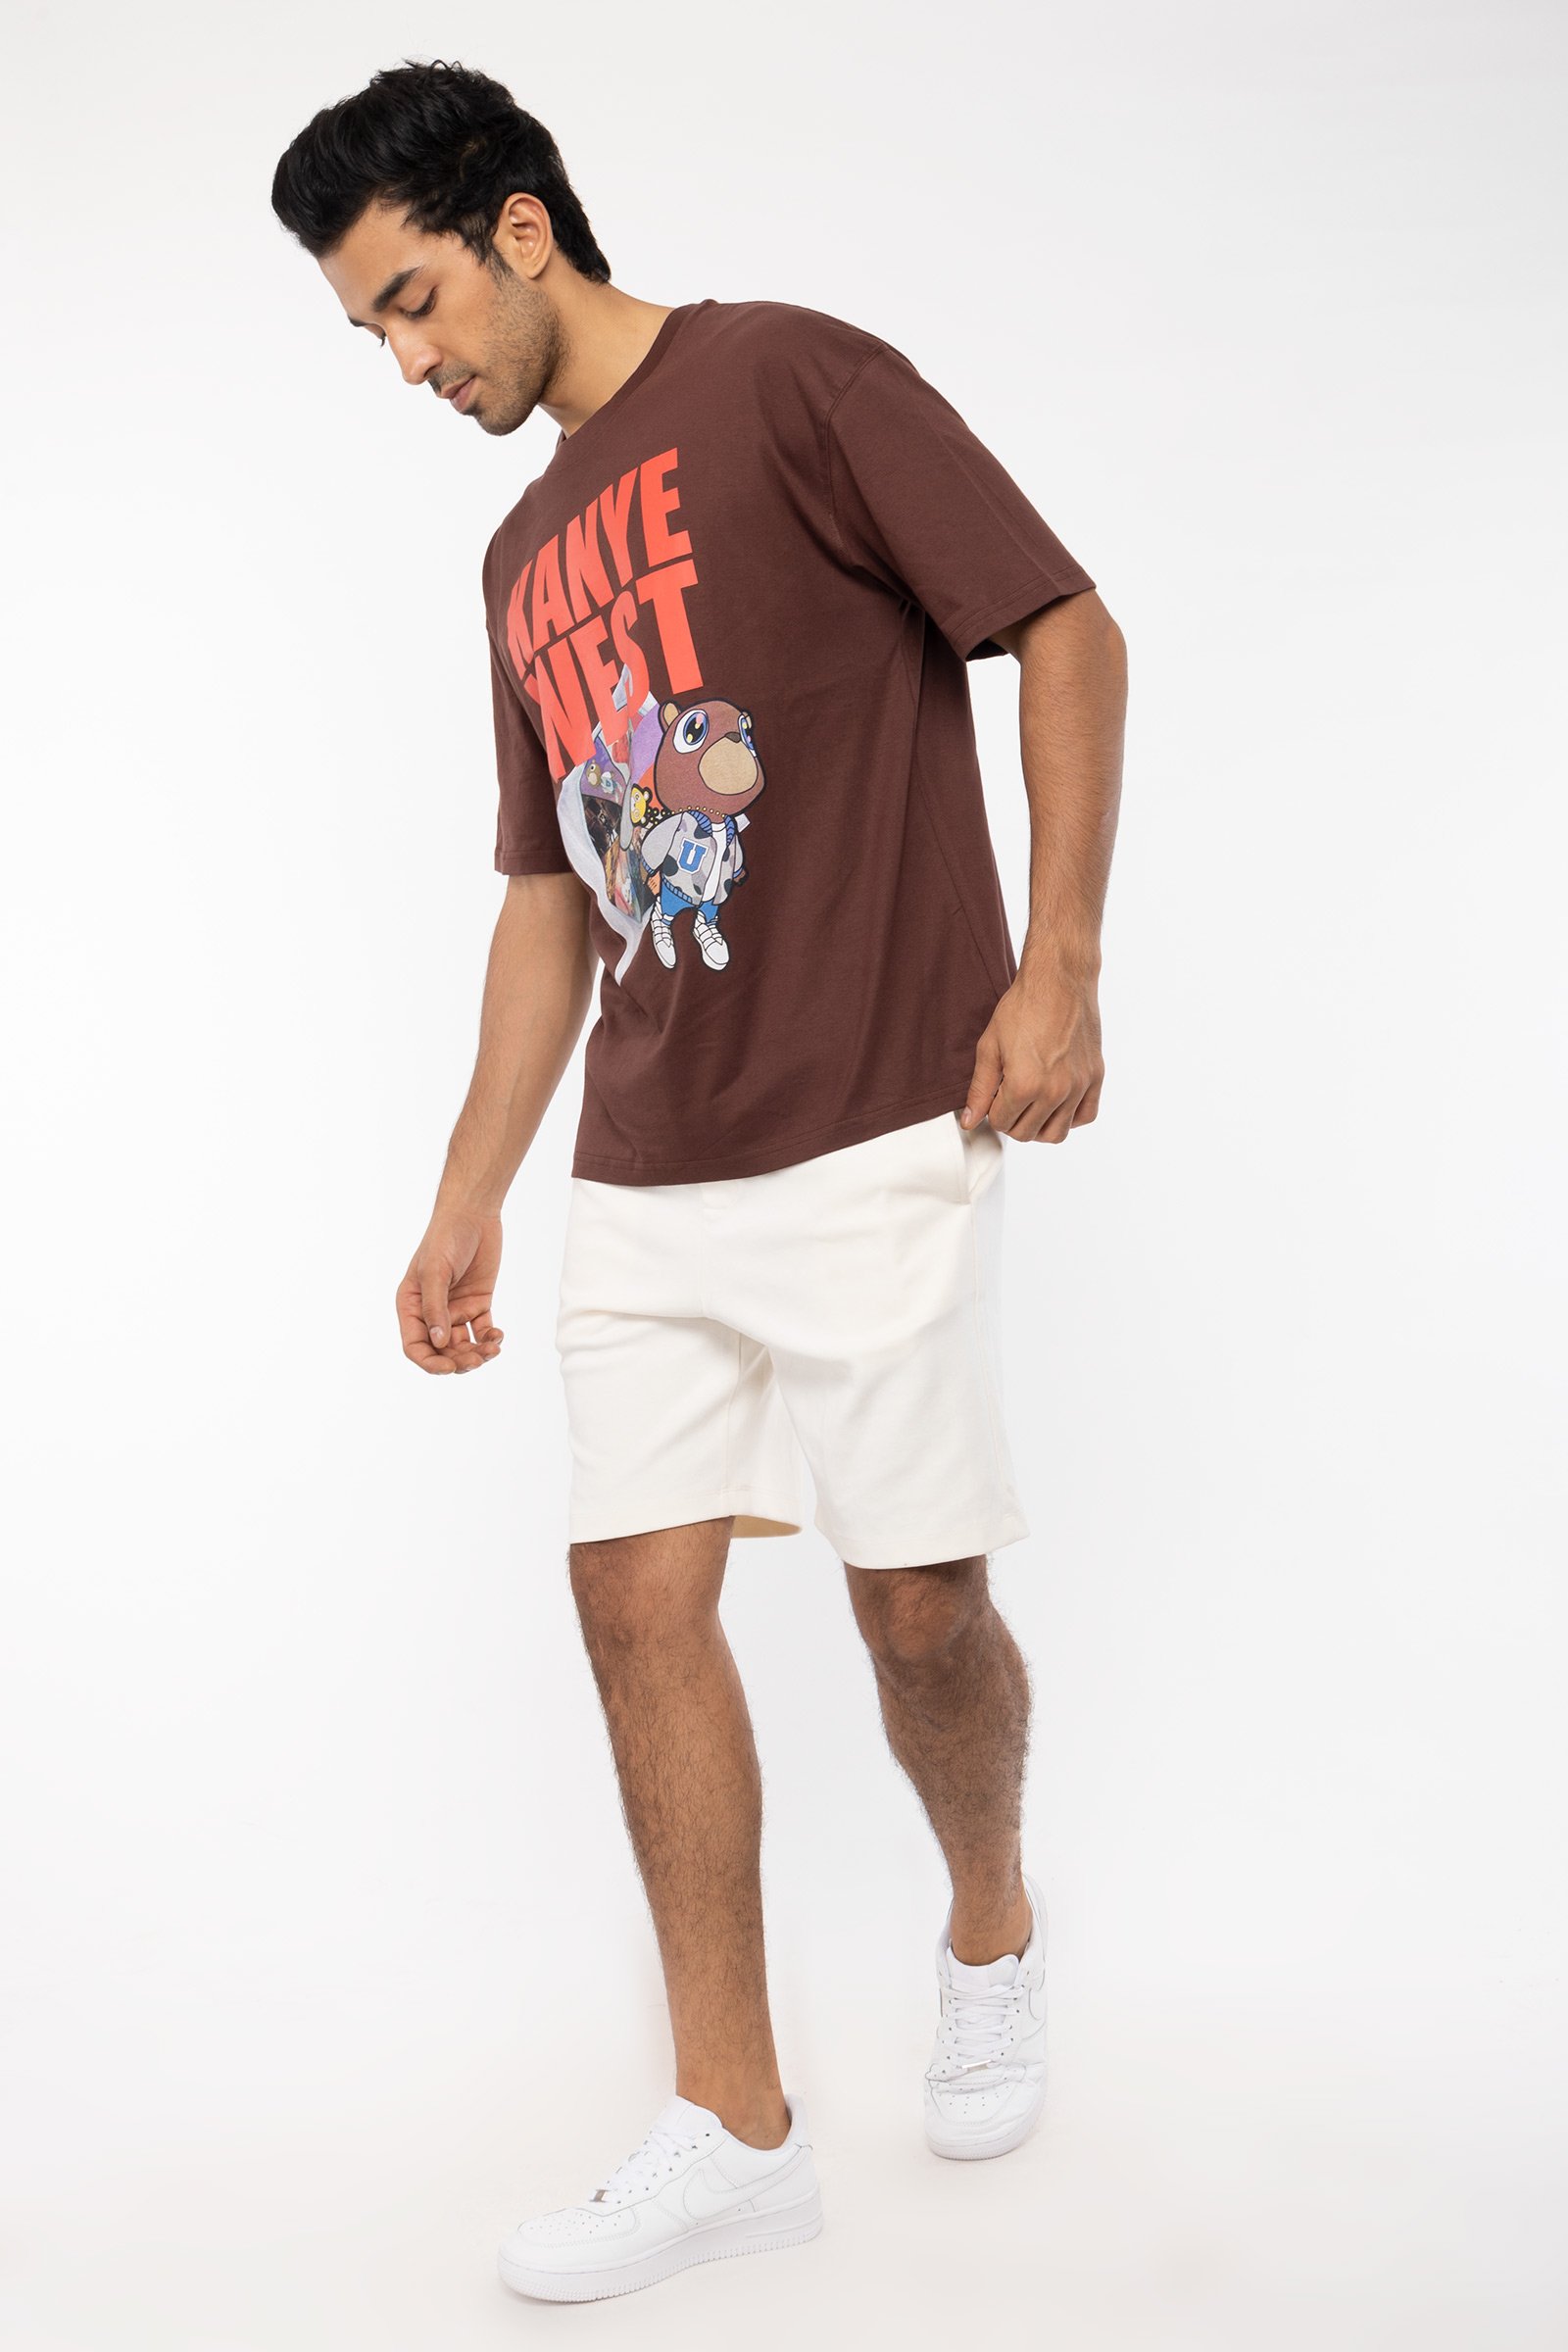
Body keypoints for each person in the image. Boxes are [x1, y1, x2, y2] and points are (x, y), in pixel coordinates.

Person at [271, 56, 1127, 2307]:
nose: (406, 361)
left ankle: (988, 1925)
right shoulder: (517, 560)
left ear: (520, 228)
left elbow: (1060, 624)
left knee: (912, 1613)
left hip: (870, 1110)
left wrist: (1055, 963)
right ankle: (732, 2127)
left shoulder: (790, 381)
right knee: (630, 1599)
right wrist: (467, 1190)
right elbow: (549, 897)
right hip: (648, 1166)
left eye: (410, 300)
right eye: (367, 330)